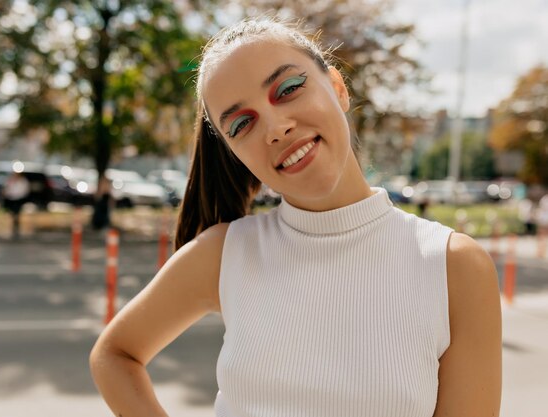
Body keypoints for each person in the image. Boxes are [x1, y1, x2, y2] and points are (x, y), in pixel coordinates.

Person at [90, 18, 501, 417]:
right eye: (241, 123)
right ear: (234, 152)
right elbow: (114, 354)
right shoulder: (223, 253)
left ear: (338, 88)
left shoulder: (454, 267)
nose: (275, 127)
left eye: (287, 89)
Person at [2, 171, 30, 239]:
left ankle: (16, 228)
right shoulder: (11, 180)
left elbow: (24, 190)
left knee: (17, 214)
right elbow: (7, 188)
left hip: (18, 200)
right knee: (11, 214)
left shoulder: (23, 181)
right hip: (11, 199)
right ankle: (12, 227)